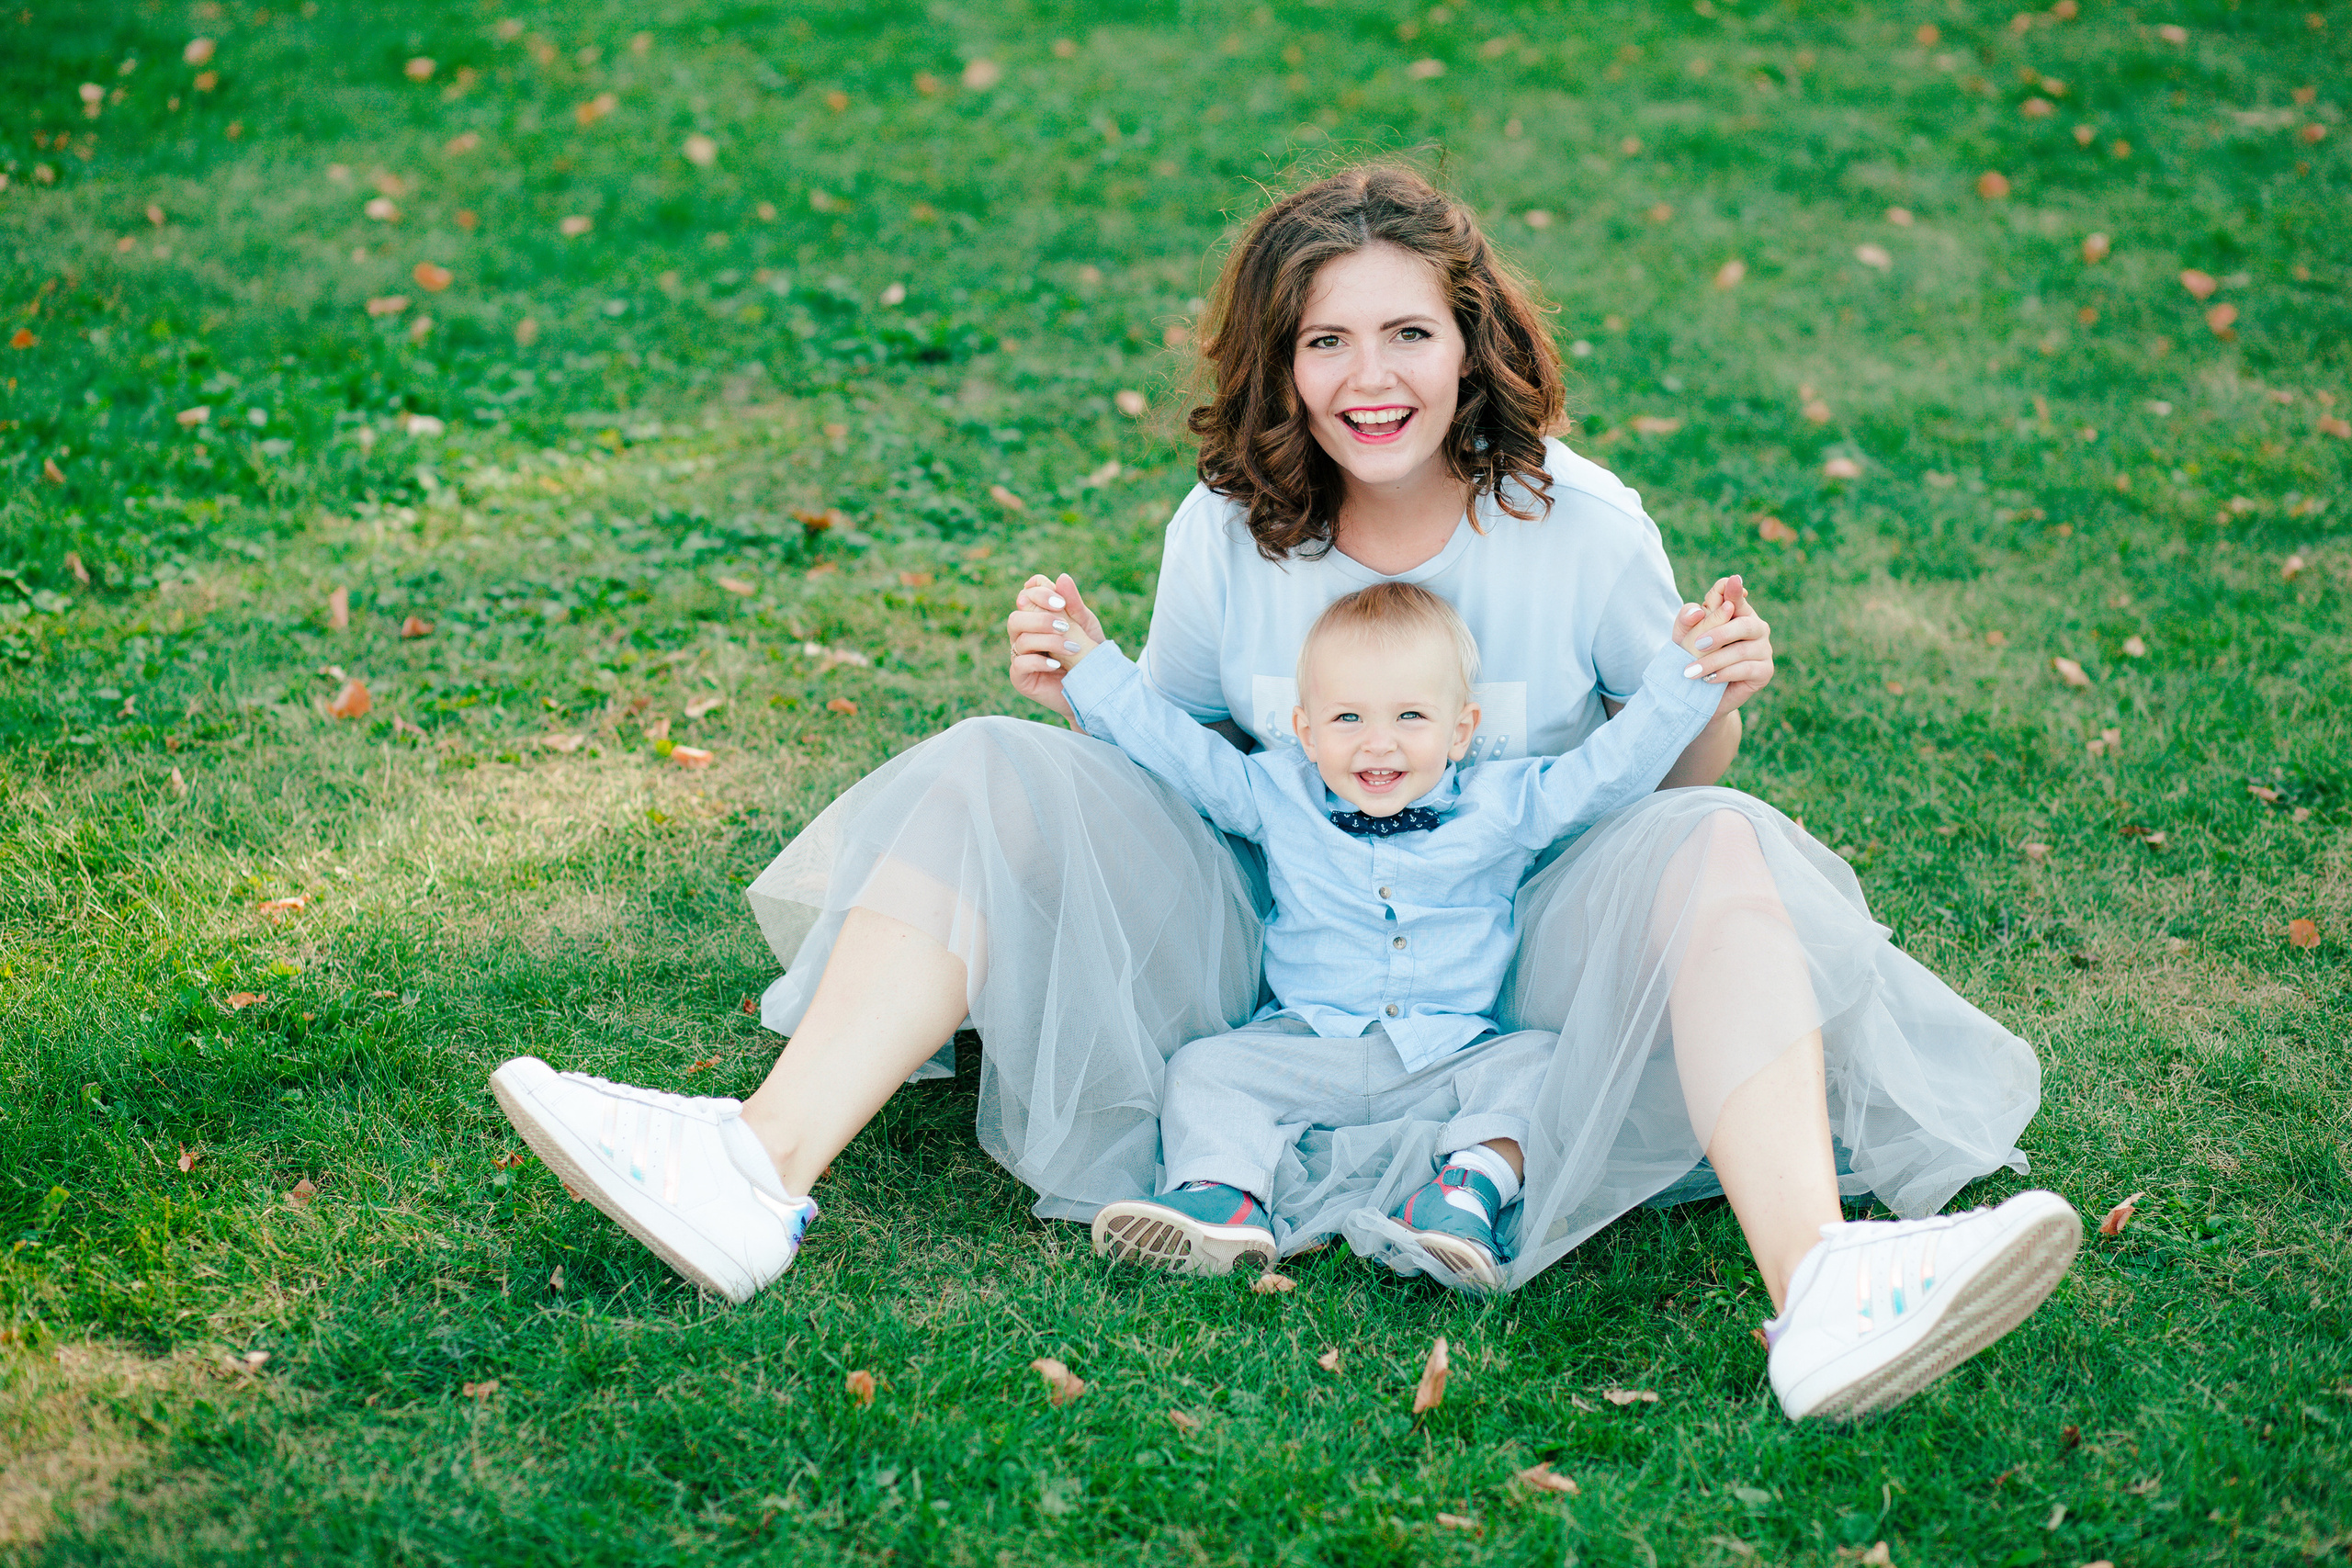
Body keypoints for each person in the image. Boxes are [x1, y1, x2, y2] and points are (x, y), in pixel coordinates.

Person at [490, 161, 2075, 1421]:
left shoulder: (1579, 525)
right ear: (1281, 360)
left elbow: (1650, 765)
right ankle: (753, 1173)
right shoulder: (1229, 524)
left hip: (1526, 942)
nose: (1368, 376)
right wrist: (1075, 694)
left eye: (1407, 335)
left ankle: (1822, 1291)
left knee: (1724, 835)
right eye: (1327, 339)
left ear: (1473, 346)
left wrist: (1713, 691)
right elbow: (1170, 766)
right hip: (1277, 939)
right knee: (991, 764)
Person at [1058, 579, 1738, 1292]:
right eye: (1347, 716)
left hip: (1448, 1056)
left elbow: (1610, 770)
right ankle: (1223, 1195)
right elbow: (1183, 756)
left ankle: (1462, 1192)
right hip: (1305, 1045)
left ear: (1461, 730)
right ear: (1306, 730)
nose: (1378, 742)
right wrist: (1090, 666)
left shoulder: (1507, 804)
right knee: (1203, 1068)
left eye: (1411, 715)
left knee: (1541, 1063)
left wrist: (1687, 676)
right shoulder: (1274, 793)